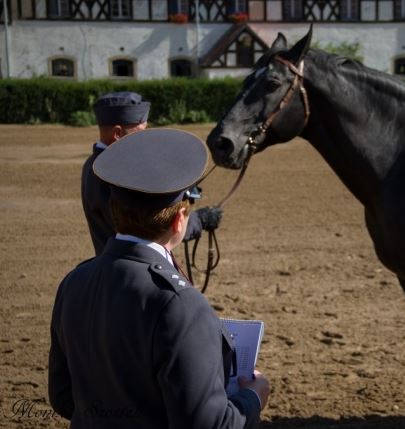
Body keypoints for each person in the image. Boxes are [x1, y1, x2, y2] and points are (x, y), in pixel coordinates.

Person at [49, 129, 270, 428]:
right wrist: (253, 398)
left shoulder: (74, 283)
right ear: (180, 220)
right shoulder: (181, 305)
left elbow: (63, 397)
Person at [81, 91, 220, 256]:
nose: (146, 138)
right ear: (117, 133)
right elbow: (147, 230)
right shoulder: (112, 175)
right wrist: (199, 220)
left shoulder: (97, 165)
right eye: (141, 131)